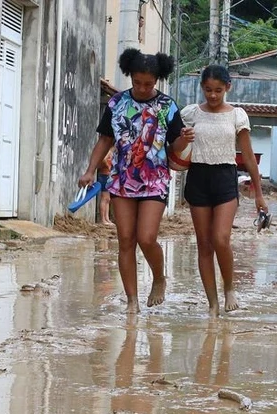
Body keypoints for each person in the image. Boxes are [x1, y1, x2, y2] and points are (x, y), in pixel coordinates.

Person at [79, 48, 185, 314]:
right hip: (121, 180)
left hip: (155, 180)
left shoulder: (168, 106)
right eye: (137, 82)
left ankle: (159, 278)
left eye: (148, 84)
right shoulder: (116, 103)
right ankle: (132, 301)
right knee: (125, 239)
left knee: (146, 238)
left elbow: (177, 147)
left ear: (157, 80)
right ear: (130, 76)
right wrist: (90, 170)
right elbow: (105, 139)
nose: (142, 88)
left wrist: (185, 140)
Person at [180, 64, 267, 317]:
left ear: (228, 87)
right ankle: (212, 303)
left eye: (218, 90)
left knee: (220, 238)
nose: (213, 95)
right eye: (208, 90)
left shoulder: (237, 115)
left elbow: (248, 156)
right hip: (198, 177)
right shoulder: (190, 113)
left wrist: (259, 193)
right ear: (202, 87)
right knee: (204, 245)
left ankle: (229, 288)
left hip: (226, 178)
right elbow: (174, 147)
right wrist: (183, 138)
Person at [97, 149, 114, 225]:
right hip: (104, 175)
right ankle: (102, 219)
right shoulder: (107, 151)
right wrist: (108, 166)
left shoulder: (111, 151)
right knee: (104, 198)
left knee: (108, 199)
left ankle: (106, 218)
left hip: (108, 175)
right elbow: (103, 160)